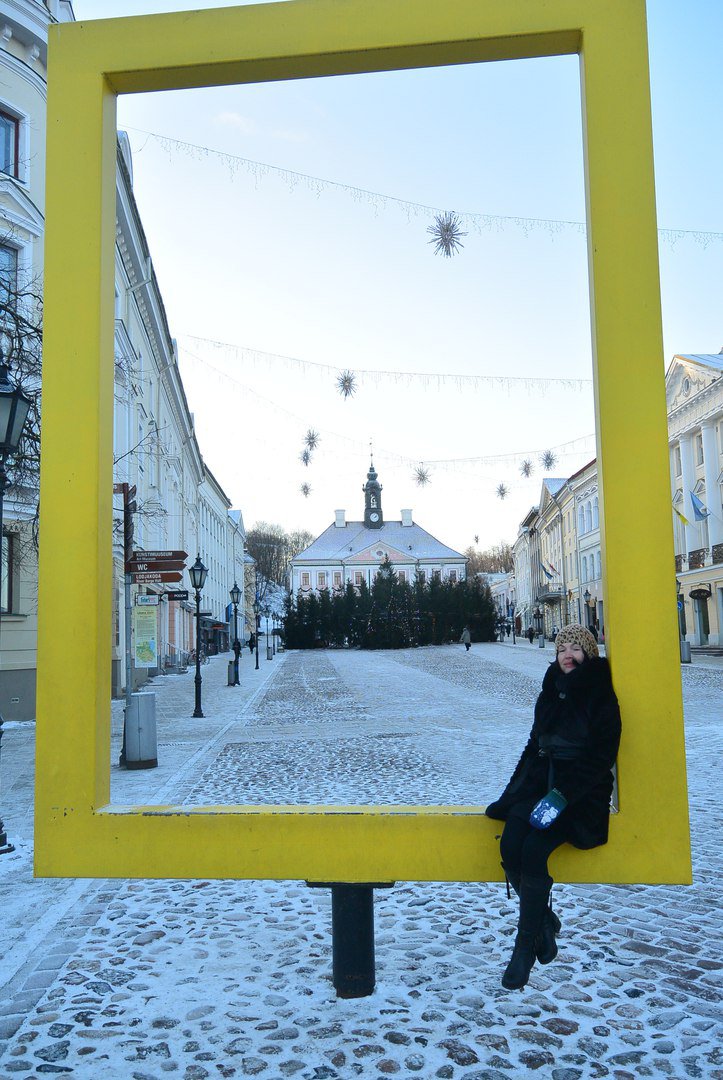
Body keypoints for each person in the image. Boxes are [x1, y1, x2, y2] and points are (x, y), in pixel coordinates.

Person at [485, 624, 621, 990]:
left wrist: (561, 797)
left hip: (580, 794)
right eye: (562, 648)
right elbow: (533, 748)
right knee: (510, 844)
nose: (568, 655)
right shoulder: (549, 691)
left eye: (576, 648)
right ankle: (544, 923)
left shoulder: (601, 694)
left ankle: (524, 948)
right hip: (539, 785)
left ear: (589, 653)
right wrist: (510, 795)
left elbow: (601, 756)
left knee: (533, 849)